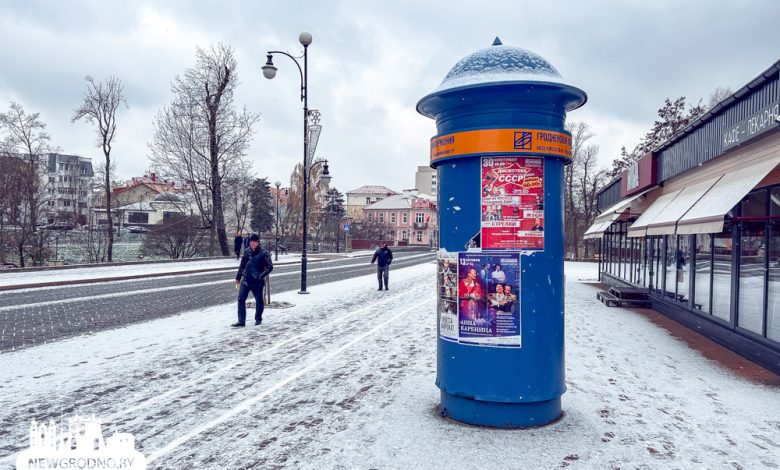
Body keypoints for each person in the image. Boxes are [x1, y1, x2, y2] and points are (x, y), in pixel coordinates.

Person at [233, 234, 273, 327]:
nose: (252, 243)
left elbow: (269, 267)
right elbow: (242, 266)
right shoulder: (247, 252)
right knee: (241, 299)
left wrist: (261, 276)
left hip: (257, 281)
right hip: (246, 280)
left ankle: (258, 318)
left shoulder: (264, 253)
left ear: (258, 242)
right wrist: (238, 278)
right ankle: (241, 321)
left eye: (254, 241)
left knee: (259, 301)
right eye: (251, 241)